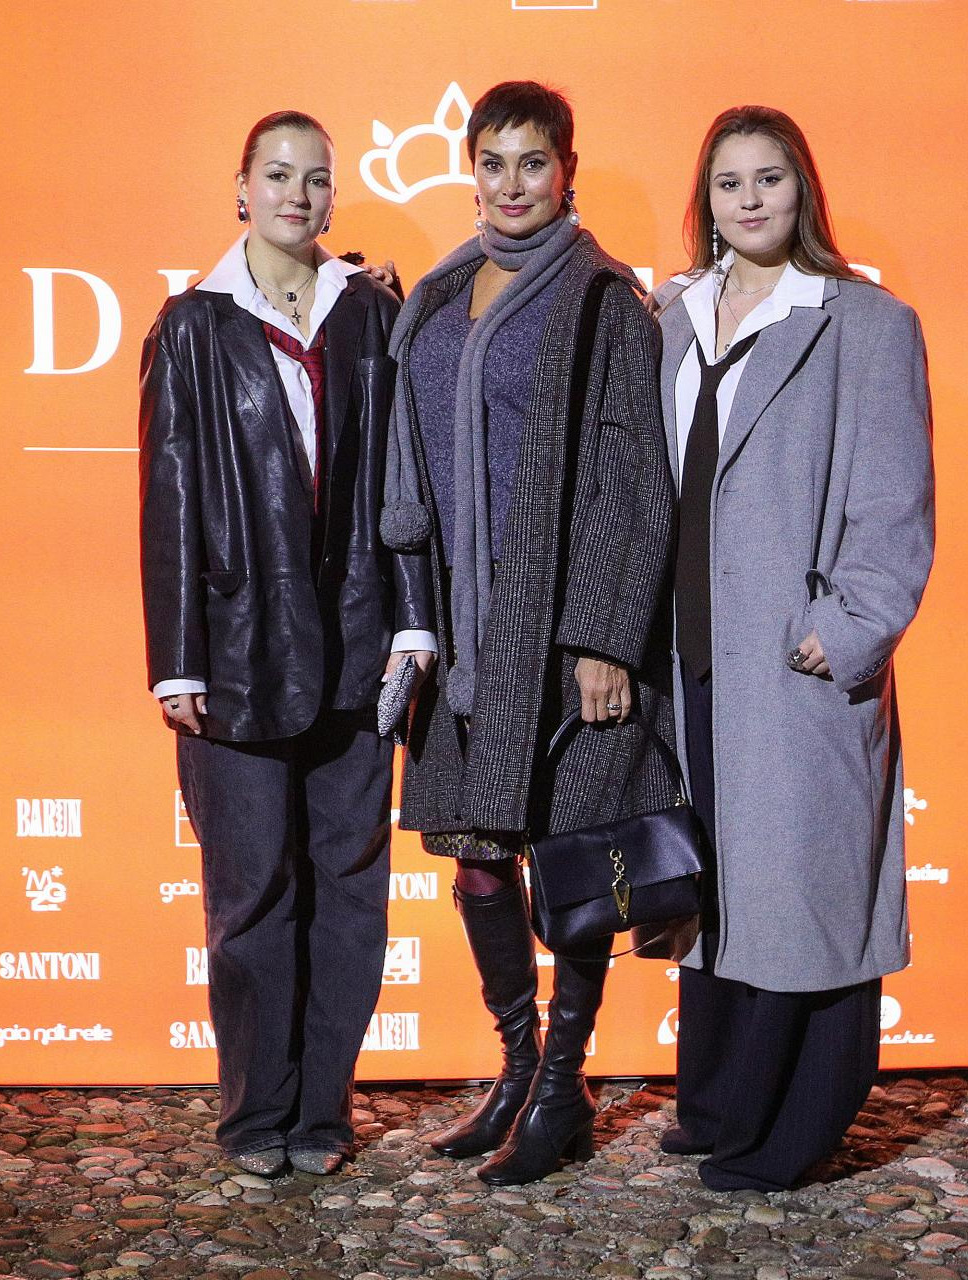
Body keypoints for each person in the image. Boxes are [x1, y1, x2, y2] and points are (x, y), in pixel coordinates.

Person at [380, 81, 677, 1185]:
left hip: (554, 624)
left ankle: (562, 1089)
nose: (512, 184)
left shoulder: (604, 302)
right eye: (494, 162)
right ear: (472, 171)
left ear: (567, 172)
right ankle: (515, 1066)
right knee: (475, 854)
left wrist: (604, 637)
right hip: (457, 624)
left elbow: (633, 484)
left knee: (570, 850)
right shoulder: (437, 295)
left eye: (533, 162)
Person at [139, 110, 434, 1176]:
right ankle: (255, 1114)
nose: (296, 195)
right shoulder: (190, 325)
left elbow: (403, 481)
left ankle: (323, 1113)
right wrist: (176, 659)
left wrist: (413, 620)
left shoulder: (373, 313)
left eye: (314, 179)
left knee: (351, 892)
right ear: (241, 189)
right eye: (277, 175)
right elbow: (168, 494)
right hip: (236, 655)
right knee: (251, 893)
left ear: (332, 196)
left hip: (360, 648)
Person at [652, 105, 935, 1192]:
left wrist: (848, 629)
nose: (749, 199)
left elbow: (895, 503)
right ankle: (718, 1103)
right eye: (728, 182)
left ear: (800, 188)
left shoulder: (862, 322)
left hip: (790, 660)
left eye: (768, 178)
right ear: (706, 199)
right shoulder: (672, 315)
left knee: (804, 895)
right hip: (688, 660)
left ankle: (792, 1130)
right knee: (713, 888)